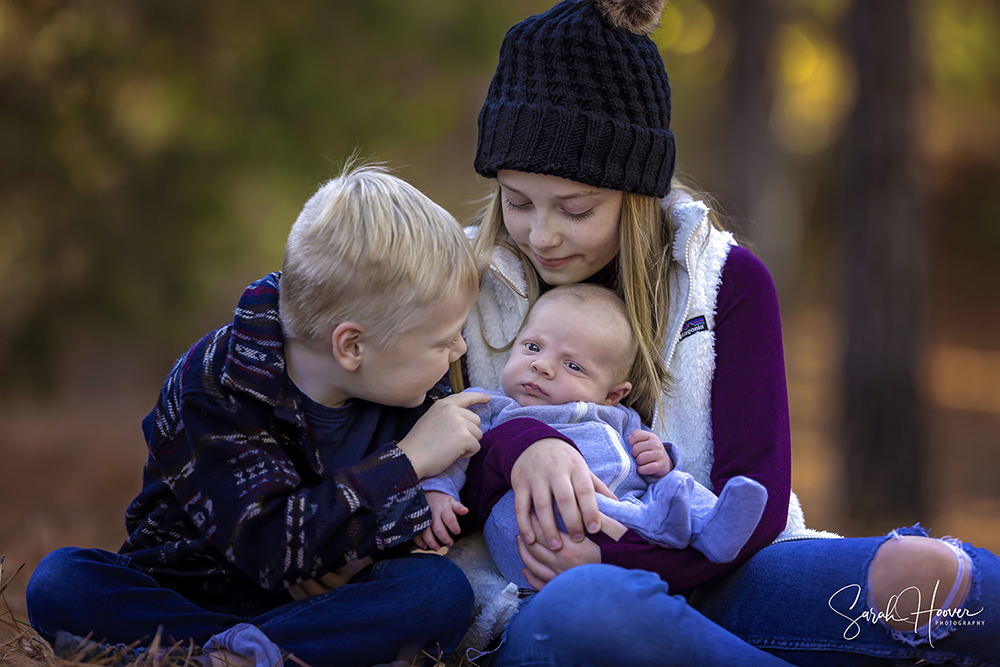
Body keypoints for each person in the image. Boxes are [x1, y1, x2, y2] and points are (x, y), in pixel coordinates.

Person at [444, 0, 1000, 665]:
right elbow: (422, 471)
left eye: (575, 208)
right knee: (588, 607)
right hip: (532, 598)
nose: (541, 233)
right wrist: (521, 444)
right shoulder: (457, 282)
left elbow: (755, 501)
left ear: (636, 192)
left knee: (955, 582)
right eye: (517, 201)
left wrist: (617, 553)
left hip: (724, 578)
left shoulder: (729, 282)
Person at [24, 163, 490, 667]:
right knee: (62, 581)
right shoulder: (213, 387)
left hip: (319, 609)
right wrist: (407, 462)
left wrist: (366, 549)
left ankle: (218, 659)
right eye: (442, 341)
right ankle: (253, 654)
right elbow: (271, 549)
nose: (459, 349)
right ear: (352, 346)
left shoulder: (409, 388)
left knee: (439, 592)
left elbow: (402, 530)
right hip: (190, 595)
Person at [418, 284, 768, 588]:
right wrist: (438, 490)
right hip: (539, 523)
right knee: (589, 500)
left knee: (674, 485)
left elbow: (652, 459)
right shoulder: (492, 405)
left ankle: (714, 524)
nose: (542, 366)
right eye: (532, 347)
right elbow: (452, 450)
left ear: (612, 394)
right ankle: (661, 527)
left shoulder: (622, 418)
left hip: (622, 511)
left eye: (573, 365)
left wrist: (662, 458)